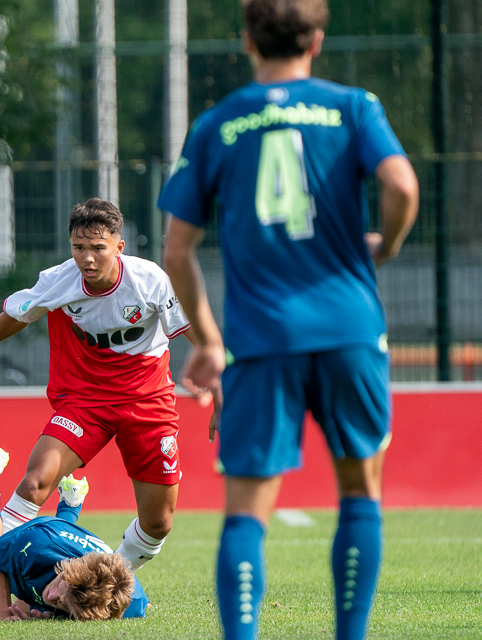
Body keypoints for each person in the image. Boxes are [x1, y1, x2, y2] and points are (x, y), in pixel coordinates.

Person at [159, 1, 420, 638]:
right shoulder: (353, 106)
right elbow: (404, 187)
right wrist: (385, 244)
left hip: (262, 337)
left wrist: (209, 341)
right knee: (360, 491)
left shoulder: (219, 123)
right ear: (318, 40)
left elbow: (177, 249)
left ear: (248, 41)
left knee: (247, 510)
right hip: (349, 328)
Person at [0, 198, 213, 610]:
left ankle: (96, 584)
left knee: (158, 522)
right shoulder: (59, 280)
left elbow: (197, 336)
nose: (87, 258)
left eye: (98, 248)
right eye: (78, 247)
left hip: (148, 401)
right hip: (85, 401)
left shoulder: (150, 281)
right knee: (35, 482)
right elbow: (19, 315)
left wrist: (224, 394)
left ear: (119, 247)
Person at [0, 445, 149, 620]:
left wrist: (51, 612)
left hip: (68, 542)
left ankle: (70, 504)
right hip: (45, 534)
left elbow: (65, 595)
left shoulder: (131, 603)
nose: (53, 595)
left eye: (63, 604)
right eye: (60, 585)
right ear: (71, 567)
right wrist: (2, 613)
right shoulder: (37, 546)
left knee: (38, 594)